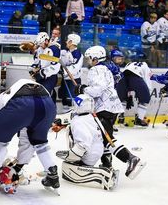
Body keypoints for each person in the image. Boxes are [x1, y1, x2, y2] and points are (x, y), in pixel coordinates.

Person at [0, 80, 57, 204]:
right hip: (48, 104)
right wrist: (18, 167)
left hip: (21, 103)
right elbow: (27, 142)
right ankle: (53, 176)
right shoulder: (4, 99)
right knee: (39, 141)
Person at [77, 46, 143, 174]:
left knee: (107, 139)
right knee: (103, 137)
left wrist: (83, 89)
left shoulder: (96, 69)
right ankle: (107, 163)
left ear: (95, 58)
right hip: (113, 107)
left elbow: (97, 89)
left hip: (104, 107)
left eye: (89, 58)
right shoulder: (106, 69)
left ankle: (131, 159)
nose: (88, 61)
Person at [56, 94, 120, 191]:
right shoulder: (91, 117)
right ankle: (103, 166)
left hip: (88, 152)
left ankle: (103, 175)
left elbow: (84, 142)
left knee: (67, 164)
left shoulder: (78, 121)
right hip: (99, 149)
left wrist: (72, 155)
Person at [111, 50, 151, 127]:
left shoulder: (129, 64)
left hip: (123, 78)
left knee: (123, 99)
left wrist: (128, 94)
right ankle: (139, 120)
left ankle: (120, 118)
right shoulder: (145, 65)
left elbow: (126, 77)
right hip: (136, 78)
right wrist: (146, 93)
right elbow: (147, 80)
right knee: (145, 99)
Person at [30, 32, 60, 102]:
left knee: (44, 95)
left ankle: (50, 110)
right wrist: (33, 69)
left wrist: (43, 73)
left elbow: (55, 67)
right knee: (37, 94)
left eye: (41, 43)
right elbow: (37, 61)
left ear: (46, 41)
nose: (40, 45)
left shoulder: (54, 49)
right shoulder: (40, 49)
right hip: (41, 76)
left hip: (50, 76)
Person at [59, 33, 82, 108]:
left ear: (71, 42)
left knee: (72, 103)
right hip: (65, 80)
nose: (66, 42)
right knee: (65, 101)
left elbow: (74, 68)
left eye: (68, 40)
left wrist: (63, 70)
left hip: (73, 81)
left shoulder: (77, 54)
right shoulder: (65, 52)